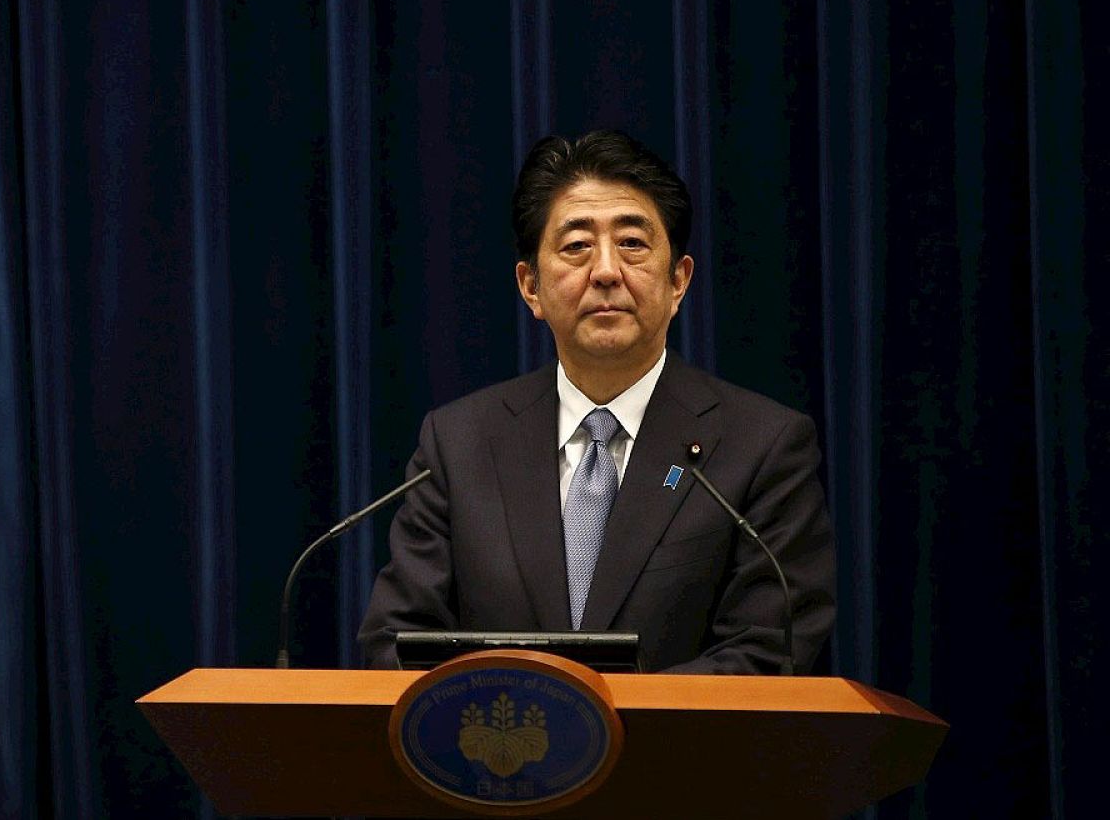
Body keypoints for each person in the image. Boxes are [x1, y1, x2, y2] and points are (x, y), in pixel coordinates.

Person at [358, 130, 836, 673]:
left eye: (632, 243)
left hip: (685, 757)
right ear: (530, 287)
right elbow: (397, 640)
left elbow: (767, 650)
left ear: (679, 281)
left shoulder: (764, 447)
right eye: (576, 246)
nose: (606, 270)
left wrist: (597, 723)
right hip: (500, 751)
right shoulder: (459, 443)